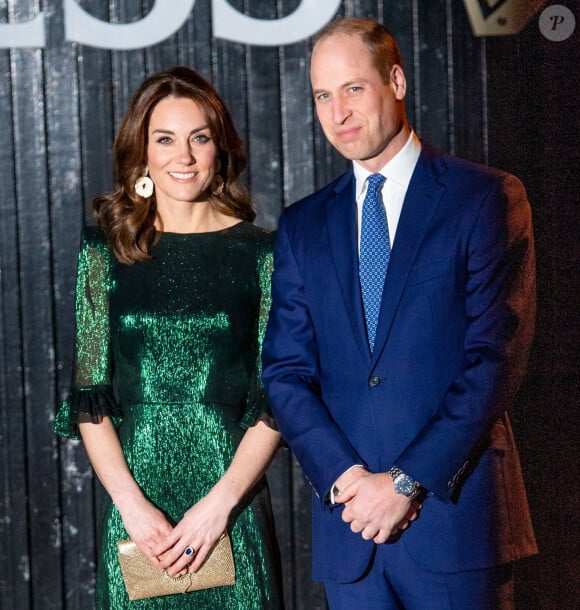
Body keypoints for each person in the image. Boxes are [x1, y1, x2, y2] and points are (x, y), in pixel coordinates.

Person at [262, 17, 537, 610]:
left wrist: (407, 481)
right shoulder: (303, 226)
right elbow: (285, 372)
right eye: (322, 96)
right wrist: (347, 480)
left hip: (455, 521)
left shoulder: (484, 196)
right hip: (351, 532)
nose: (338, 112)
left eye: (353, 88)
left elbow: (497, 356)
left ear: (396, 80)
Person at [55, 66, 284, 609]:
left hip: (230, 506)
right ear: (142, 151)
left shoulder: (264, 254)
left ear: (219, 149)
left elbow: (277, 400)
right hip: (139, 511)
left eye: (199, 138)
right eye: (165, 139)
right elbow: (90, 400)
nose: (182, 156)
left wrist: (219, 506)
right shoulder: (101, 253)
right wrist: (133, 508)